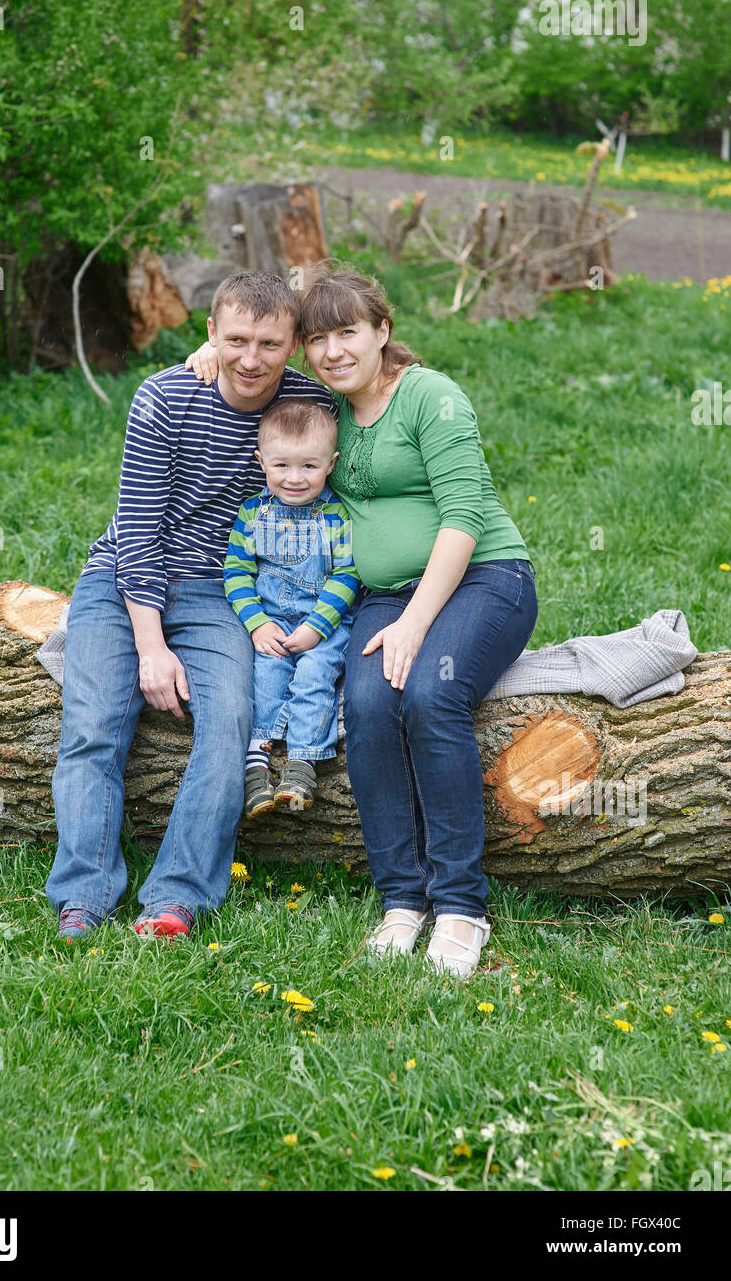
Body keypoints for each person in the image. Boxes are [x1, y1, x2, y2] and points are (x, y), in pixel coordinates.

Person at [186, 265, 538, 979]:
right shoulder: (326, 405)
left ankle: (462, 907)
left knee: (432, 696)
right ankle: (402, 901)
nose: (331, 350)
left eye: (347, 332)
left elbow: (465, 514)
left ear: (382, 331)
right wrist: (200, 356)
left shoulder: (429, 398)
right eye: (317, 338)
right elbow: (245, 368)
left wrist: (414, 623)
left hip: (481, 579)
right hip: (378, 594)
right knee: (371, 704)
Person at [46, 271, 336, 943]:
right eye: (234, 339)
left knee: (232, 719)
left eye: (269, 343)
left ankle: (176, 897)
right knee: (92, 724)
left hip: (221, 591)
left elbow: (377, 372)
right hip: (121, 581)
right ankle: (84, 894)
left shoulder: (305, 405)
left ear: (293, 344)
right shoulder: (165, 398)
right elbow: (138, 535)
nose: (250, 359)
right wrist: (151, 647)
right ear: (209, 333)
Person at [223, 398, 358, 817]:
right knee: (264, 677)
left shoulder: (336, 514)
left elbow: (347, 574)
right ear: (261, 461)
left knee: (314, 678)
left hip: (324, 623)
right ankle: (256, 764)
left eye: (309, 467)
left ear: (331, 463)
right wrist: (257, 625)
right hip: (272, 621)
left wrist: (317, 627)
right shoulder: (252, 512)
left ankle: (302, 762)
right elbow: (236, 574)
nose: (295, 479)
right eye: (282, 466)